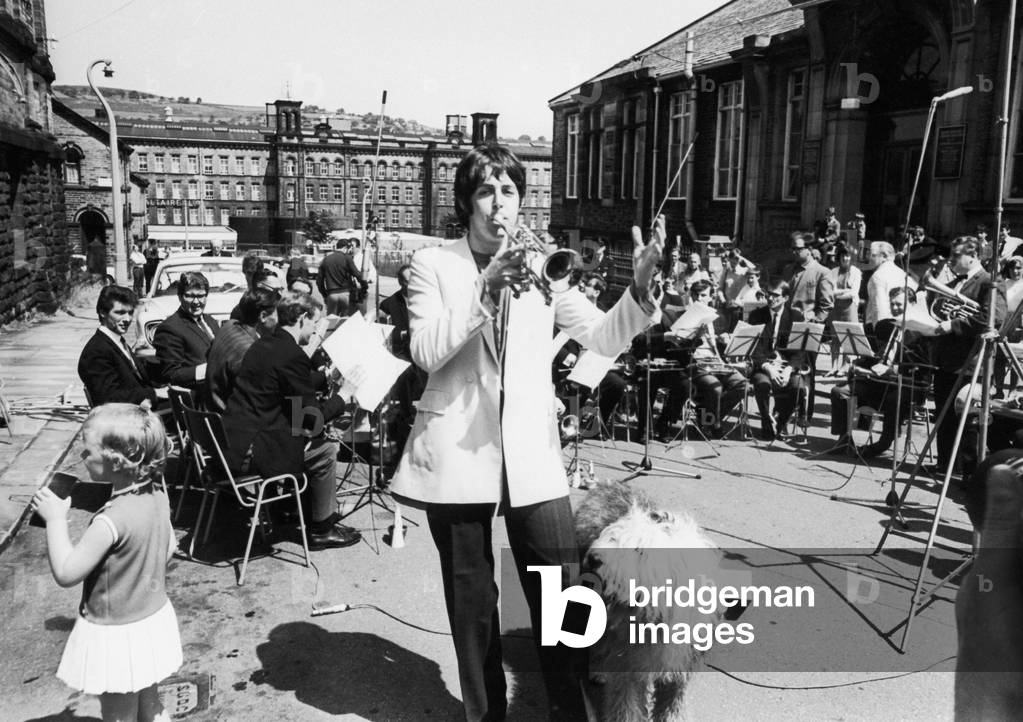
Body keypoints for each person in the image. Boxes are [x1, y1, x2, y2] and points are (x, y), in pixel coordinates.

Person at [389, 143, 662, 721]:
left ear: (521, 202)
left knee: (560, 593)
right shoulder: (433, 265)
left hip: (532, 454)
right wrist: (484, 292)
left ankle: (568, 710)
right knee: (474, 602)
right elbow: (425, 353)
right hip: (458, 455)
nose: (498, 204)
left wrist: (637, 292)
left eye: (509, 191)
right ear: (466, 202)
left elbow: (603, 337)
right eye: (486, 191)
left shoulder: (544, 266)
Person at [31, 403, 181, 722]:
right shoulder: (157, 495)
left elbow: (67, 572)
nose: (82, 457)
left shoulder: (109, 521)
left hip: (116, 631)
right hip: (151, 620)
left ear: (116, 459)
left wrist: (56, 519)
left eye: (87, 451)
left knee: (118, 716)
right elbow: (169, 546)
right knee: (150, 706)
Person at [222, 291, 361, 550]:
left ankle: (294, 510)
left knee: (308, 438)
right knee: (325, 449)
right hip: (256, 453)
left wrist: (327, 377)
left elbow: (289, 384)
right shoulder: (291, 354)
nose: (316, 329)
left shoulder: (264, 344)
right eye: (314, 322)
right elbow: (310, 420)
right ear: (302, 318)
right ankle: (322, 528)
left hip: (233, 443)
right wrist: (343, 396)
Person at [931, 237, 1006, 477]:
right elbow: (940, 307)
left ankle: (969, 472)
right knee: (944, 416)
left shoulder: (990, 282)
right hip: (947, 360)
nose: (951, 260)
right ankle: (945, 464)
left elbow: (991, 318)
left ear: (972, 256)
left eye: (956, 256)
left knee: (968, 420)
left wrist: (953, 324)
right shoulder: (954, 282)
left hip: (971, 362)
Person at [827, 287, 929, 457]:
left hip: (907, 384)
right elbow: (882, 355)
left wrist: (894, 369)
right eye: (892, 304)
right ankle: (844, 438)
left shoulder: (922, 331)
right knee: (839, 392)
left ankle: (883, 443)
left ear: (912, 304)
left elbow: (923, 367)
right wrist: (866, 359)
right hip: (882, 381)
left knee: (892, 399)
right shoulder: (889, 326)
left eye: (899, 304)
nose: (895, 308)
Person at [78, 285, 166, 407]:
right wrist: (154, 393)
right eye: (120, 313)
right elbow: (108, 397)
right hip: (129, 416)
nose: (127, 319)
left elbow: (135, 376)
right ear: (103, 313)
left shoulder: (115, 341)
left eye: (130, 313)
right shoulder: (96, 351)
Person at [682, 280, 746, 437]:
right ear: (691, 295)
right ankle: (713, 424)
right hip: (695, 362)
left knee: (742, 385)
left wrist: (722, 339)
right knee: (715, 387)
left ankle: (708, 418)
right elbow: (682, 345)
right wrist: (694, 333)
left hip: (714, 360)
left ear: (710, 297)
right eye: (696, 295)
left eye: (704, 295)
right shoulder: (686, 315)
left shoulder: (713, 315)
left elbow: (713, 342)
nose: (699, 299)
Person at [748, 280, 807, 440]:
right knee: (762, 384)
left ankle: (781, 421)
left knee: (798, 388)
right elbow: (754, 348)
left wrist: (789, 369)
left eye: (775, 295)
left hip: (786, 365)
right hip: (764, 365)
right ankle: (766, 423)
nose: (770, 299)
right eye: (769, 294)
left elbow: (800, 351)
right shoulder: (756, 316)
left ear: (786, 298)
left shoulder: (796, 317)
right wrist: (768, 367)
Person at [205, 288, 279, 413]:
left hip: (213, 413)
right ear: (263, 316)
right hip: (232, 423)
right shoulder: (251, 352)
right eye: (278, 314)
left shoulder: (229, 326)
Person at [152, 272, 219, 392]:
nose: (196, 302)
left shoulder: (211, 321)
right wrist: (209, 369)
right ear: (179, 296)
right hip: (198, 398)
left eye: (201, 296)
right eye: (190, 296)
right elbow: (170, 374)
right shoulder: (169, 329)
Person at [826, 244, 862, 376]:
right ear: (839, 257)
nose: (845, 258)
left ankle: (844, 366)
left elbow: (853, 293)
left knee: (847, 337)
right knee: (834, 338)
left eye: (848, 256)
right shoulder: (833, 271)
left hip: (849, 308)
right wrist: (842, 292)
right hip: (836, 308)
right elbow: (830, 292)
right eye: (843, 255)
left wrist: (838, 293)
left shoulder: (856, 272)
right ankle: (833, 366)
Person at [786, 232, 834, 324]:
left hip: (806, 327)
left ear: (809, 249)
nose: (793, 252)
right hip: (784, 326)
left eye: (797, 249)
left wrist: (814, 323)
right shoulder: (787, 270)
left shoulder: (822, 273)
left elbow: (827, 305)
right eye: (792, 248)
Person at [865, 241, 911, 335]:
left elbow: (879, 310)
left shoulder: (877, 276)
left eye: (872, 255)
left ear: (884, 256)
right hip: (900, 328)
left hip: (881, 329)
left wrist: (880, 335)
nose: (868, 258)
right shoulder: (902, 273)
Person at [317, 240, 367, 317]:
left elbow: (319, 281)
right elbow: (357, 274)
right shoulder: (347, 258)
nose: (348, 251)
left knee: (331, 320)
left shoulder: (326, 259)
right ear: (344, 248)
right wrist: (364, 286)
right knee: (344, 320)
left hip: (332, 294)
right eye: (348, 249)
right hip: (345, 293)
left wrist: (324, 294)